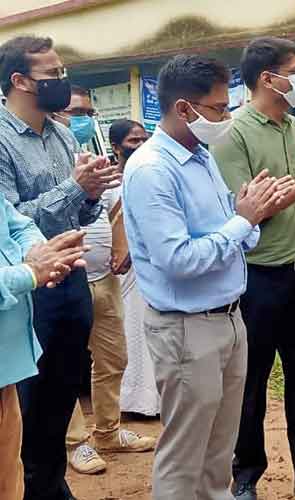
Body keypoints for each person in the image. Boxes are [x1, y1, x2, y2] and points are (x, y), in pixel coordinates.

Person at [122, 54, 292, 500]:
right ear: (183, 109)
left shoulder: (201, 155)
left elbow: (231, 229)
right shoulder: (151, 170)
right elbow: (178, 258)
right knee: (185, 456)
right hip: (185, 328)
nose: (227, 118)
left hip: (228, 319)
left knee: (219, 452)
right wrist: (243, 221)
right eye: (218, 108)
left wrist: (248, 217)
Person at [210, 37, 295, 500]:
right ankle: (245, 475)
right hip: (258, 276)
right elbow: (247, 212)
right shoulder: (234, 133)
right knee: (250, 381)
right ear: (268, 78)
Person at [0, 35, 119, 500]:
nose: (62, 82)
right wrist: (75, 188)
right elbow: (10, 220)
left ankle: (50, 480)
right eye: (52, 75)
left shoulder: (63, 133)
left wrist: (89, 194)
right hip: (25, 288)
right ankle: (26, 483)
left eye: (62, 72)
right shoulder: (3, 139)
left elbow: (77, 214)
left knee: (63, 389)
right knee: (26, 399)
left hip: (71, 277)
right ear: (19, 81)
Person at [62, 90, 156, 477]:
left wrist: (120, 243)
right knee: (66, 364)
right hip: (66, 278)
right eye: (75, 112)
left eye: (88, 111)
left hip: (104, 278)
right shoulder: (53, 158)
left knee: (113, 358)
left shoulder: (98, 153)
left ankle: (107, 431)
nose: (82, 118)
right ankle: (75, 443)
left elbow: (117, 207)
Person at [0, 213, 89, 500]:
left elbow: (19, 224)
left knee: (10, 485)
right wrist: (30, 272)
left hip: (7, 371)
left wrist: (44, 255)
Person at [107, 120, 157, 418]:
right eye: (133, 141)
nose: (139, 146)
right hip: (122, 274)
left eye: (143, 140)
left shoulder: (151, 176)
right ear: (116, 147)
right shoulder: (109, 184)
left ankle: (154, 401)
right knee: (128, 331)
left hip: (148, 269)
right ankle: (130, 401)